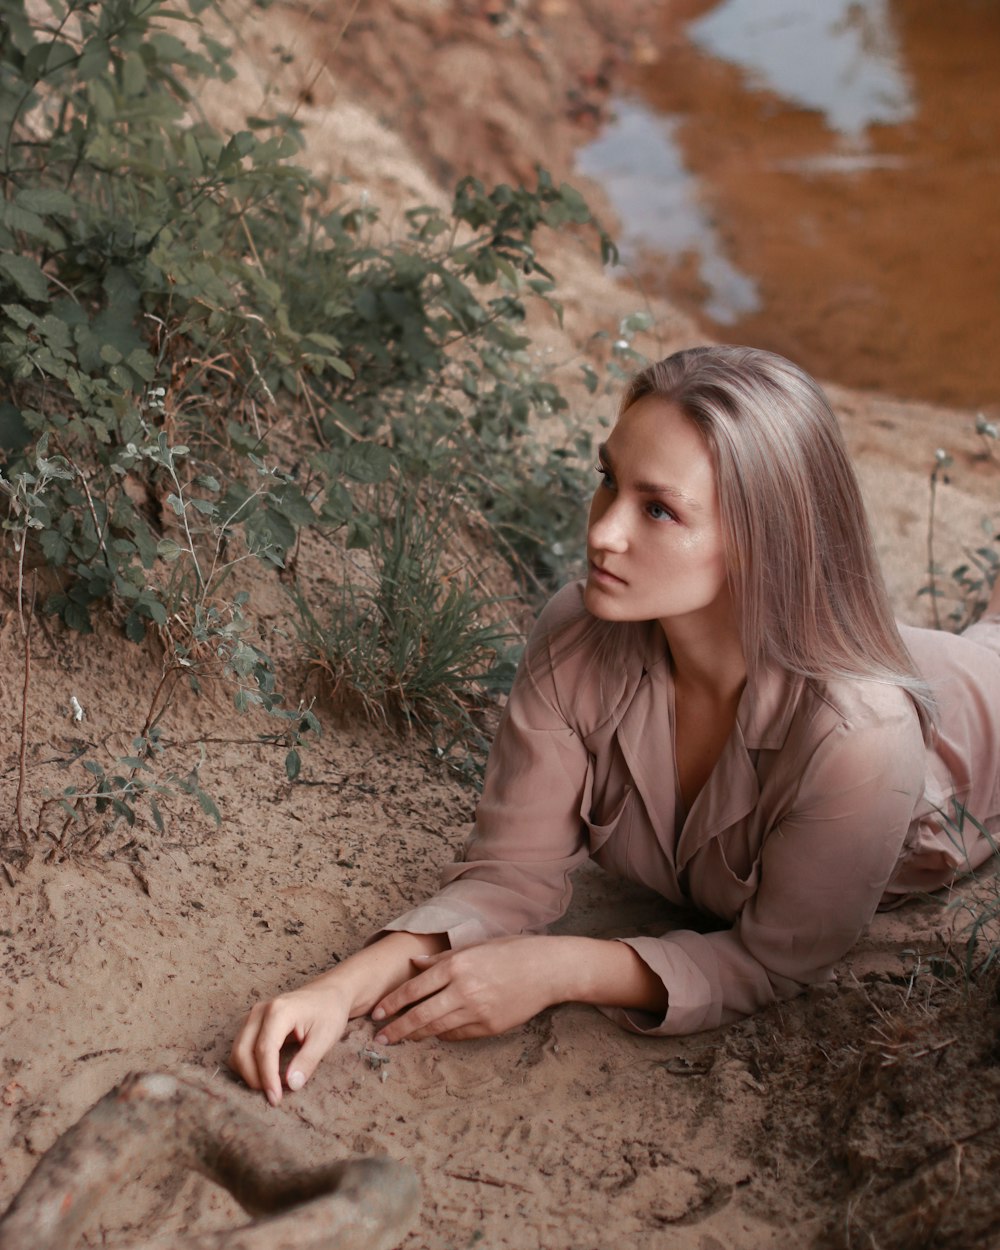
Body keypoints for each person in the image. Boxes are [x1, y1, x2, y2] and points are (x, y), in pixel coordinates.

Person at [230, 345, 1000, 1106]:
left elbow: (778, 961)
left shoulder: (859, 733)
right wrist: (336, 990)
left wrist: (561, 968)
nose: (603, 532)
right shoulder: (579, 633)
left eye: (658, 509)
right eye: (610, 482)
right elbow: (509, 875)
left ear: (761, 542)